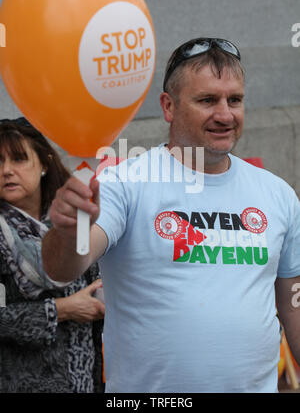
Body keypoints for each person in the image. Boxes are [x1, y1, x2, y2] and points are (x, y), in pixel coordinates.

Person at [42, 38, 300, 393]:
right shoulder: (125, 183)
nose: (225, 115)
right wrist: (70, 230)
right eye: (207, 100)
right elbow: (63, 268)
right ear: (168, 107)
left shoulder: (278, 194)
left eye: (234, 100)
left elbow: (292, 304)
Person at [0, 117, 105, 393]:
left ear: (45, 164)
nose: (7, 171)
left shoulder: (72, 221)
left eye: (19, 159)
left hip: (82, 380)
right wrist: (63, 310)